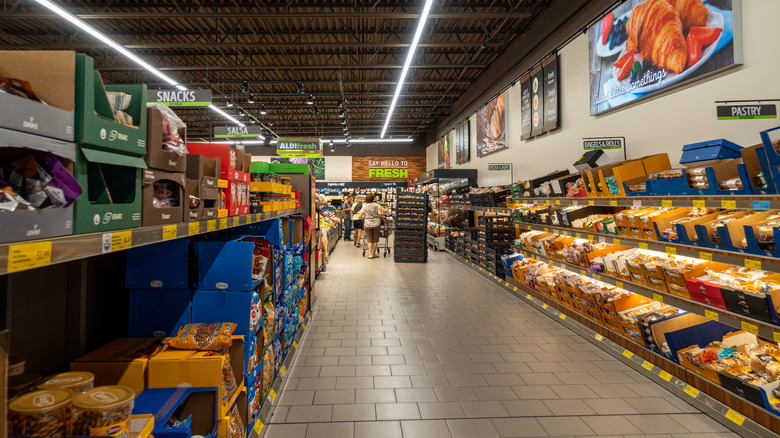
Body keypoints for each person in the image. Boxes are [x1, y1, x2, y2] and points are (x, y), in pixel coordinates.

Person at [358, 193, 389, 258]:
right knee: (375, 240)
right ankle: (374, 253)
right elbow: (385, 211)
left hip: (367, 224)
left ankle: (370, 254)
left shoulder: (364, 206)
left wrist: (365, 217)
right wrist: (381, 215)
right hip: (376, 223)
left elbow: (359, 216)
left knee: (369, 240)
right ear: (373, 199)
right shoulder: (376, 205)